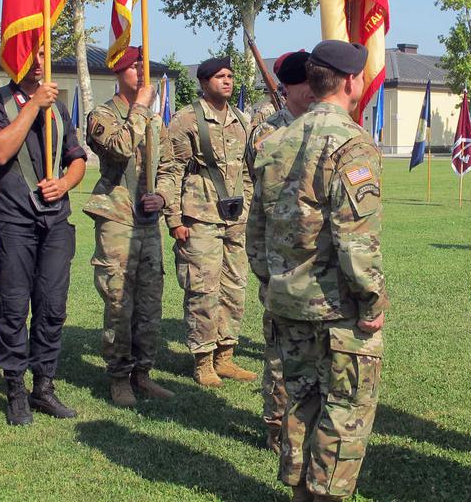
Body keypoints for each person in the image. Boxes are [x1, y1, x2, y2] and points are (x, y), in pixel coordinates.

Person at [248, 39, 388, 502]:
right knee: (345, 410)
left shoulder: (274, 141)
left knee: (300, 405)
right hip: (337, 309)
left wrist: (273, 283)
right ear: (350, 81)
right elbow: (356, 239)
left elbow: (256, 231)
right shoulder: (351, 143)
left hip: (287, 302)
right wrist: (372, 300)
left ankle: (300, 491)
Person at [0, 44, 87, 425]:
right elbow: (1, 151)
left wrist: (65, 183)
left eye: (45, 54)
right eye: (34, 53)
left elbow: (77, 158)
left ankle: (44, 386)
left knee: (52, 307)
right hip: (14, 221)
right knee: (14, 307)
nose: (42, 61)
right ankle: (14, 389)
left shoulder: (57, 106)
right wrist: (32, 105)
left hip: (55, 220)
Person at [83, 46, 175, 407]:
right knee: (119, 300)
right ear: (119, 72)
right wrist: (140, 107)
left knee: (150, 302)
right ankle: (119, 376)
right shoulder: (102, 115)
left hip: (148, 222)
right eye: (135, 67)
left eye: (145, 67)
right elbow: (120, 148)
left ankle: (143, 373)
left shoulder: (155, 121)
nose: (141, 73)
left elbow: (169, 167)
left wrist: (163, 197)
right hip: (118, 218)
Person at [159, 56, 256, 387]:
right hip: (199, 216)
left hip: (235, 218)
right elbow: (170, 170)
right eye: (219, 76)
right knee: (202, 289)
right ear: (203, 82)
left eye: (230, 76)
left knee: (234, 288)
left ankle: (225, 355)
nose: (227, 81)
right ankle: (203, 360)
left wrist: (249, 207)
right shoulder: (186, 119)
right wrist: (173, 218)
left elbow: (246, 169)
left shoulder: (242, 120)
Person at [245, 49, 315, 452]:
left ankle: (306, 418)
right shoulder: (268, 131)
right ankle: (276, 423)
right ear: (289, 87)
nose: (314, 88)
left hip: (312, 256)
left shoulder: (317, 126)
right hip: (280, 255)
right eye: (306, 82)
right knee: (279, 347)